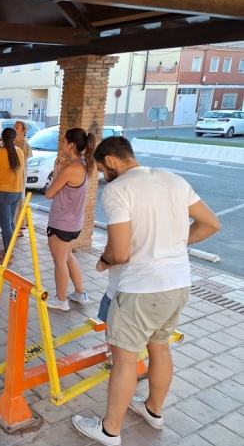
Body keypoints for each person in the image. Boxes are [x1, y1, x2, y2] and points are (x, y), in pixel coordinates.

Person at [72, 137, 220, 446]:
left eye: (101, 168)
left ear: (111, 160)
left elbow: (120, 252)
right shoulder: (173, 179)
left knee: (125, 360)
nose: (101, 175)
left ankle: (109, 430)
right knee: (160, 347)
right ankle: (153, 411)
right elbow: (210, 224)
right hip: (178, 284)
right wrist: (172, 244)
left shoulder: (118, 189)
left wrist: (102, 261)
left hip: (141, 289)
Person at [44, 127, 97, 311]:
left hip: (62, 223)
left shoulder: (72, 169)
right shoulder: (84, 164)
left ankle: (61, 300)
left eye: (64, 141)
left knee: (60, 262)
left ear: (71, 144)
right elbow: (62, 187)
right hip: (75, 223)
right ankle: (80, 294)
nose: (62, 144)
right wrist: (57, 167)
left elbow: (50, 193)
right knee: (67, 257)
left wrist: (59, 170)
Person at [0, 128, 24, 265]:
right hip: (16, 193)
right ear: (15, 139)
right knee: (9, 224)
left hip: (2, 194)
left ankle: (8, 256)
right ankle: (9, 249)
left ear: (2, 139)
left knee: (5, 226)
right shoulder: (19, 151)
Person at [12, 121, 33, 236]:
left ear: (23, 131)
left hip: (20, 173)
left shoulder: (25, 144)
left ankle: (20, 226)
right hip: (13, 172)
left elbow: (22, 159)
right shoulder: (13, 142)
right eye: (14, 127)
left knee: (20, 197)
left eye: (17, 128)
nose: (15, 129)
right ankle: (14, 224)